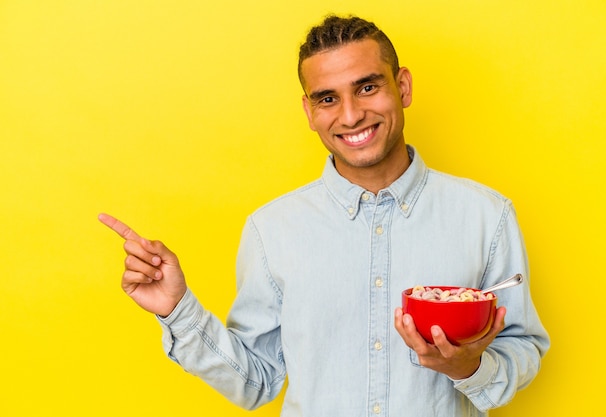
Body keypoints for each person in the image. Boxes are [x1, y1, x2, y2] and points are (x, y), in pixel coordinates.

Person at [99, 15, 549, 416]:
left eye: (368, 87)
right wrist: (179, 312)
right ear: (309, 112)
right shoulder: (270, 230)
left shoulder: (486, 215)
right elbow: (256, 383)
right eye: (328, 98)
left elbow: (523, 347)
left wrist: (470, 366)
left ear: (404, 87)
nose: (351, 115)